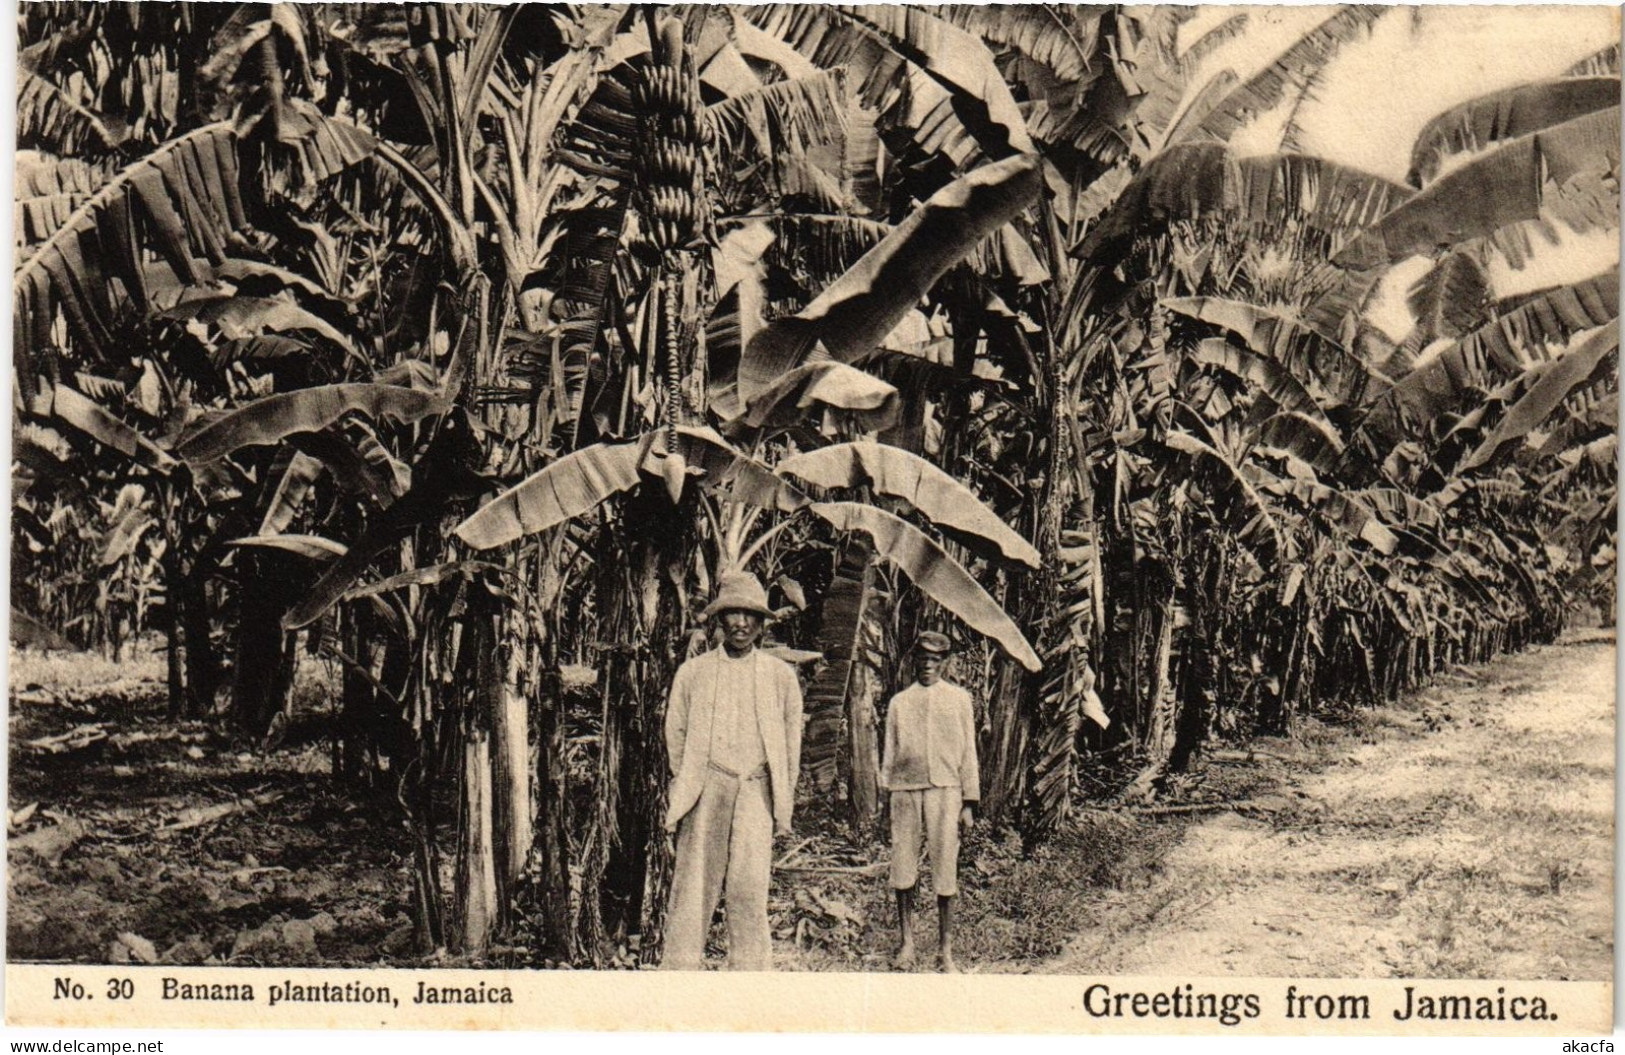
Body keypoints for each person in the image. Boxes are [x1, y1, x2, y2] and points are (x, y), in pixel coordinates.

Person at [661, 570, 803, 970]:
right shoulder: (695, 672)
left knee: (749, 887)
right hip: (707, 787)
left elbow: (791, 741)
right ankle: (678, 979)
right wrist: (691, 778)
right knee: (693, 888)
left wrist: (780, 796)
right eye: (732, 614)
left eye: (749, 615)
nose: (741, 623)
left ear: (761, 622)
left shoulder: (780, 677)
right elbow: (677, 731)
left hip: (756, 790)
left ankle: (751, 982)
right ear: (719, 619)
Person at [881, 631, 978, 972]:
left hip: (946, 790)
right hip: (905, 791)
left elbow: (969, 752)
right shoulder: (900, 703)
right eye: (922, 660)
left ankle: (945, 950)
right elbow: (889, 754)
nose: (928, 666)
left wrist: (968, 801)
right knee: (903, 866)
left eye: (935, 660)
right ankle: (906, 944)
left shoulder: (959, 700)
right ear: (914, 662)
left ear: (945, 663)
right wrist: (886, 792)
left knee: (944, 867)